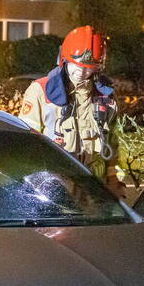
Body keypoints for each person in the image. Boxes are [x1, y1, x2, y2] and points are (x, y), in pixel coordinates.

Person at [19, 25, 120, 190]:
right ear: (63, 58)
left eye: (89, 67)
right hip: (54, 187)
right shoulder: (41, 91)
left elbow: (112, 143)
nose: (82, 71)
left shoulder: (106, 98)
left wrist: (113, 180)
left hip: (94, 189)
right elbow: (26, 143)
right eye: (76, 64)